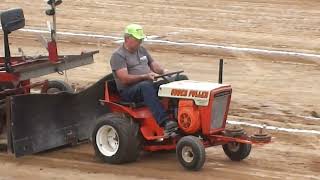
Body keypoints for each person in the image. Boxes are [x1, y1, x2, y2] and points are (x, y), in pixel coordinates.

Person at [110, 24, 180, 132]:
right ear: (127, 38)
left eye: (141, 39)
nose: (140, 42)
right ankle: (164, 122)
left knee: (179, 79)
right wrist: (145, 76)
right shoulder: (118, 56)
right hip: (129, 91)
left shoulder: (142, 50)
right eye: (137, 39)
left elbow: (153, 64)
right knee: (145, 86)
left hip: (146, 84)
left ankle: (180, 115)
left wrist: (164, 72)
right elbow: (124, 79)